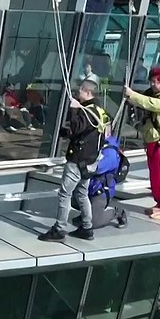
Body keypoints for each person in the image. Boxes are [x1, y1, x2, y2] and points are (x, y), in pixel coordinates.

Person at [38, 79, 106, 242]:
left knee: (64, 193)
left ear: (88, 92)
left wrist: (74, 109)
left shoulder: (86, 111)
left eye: (81, 90)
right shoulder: (100, 111)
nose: (78, 93)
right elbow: (88, 132)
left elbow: (77, 127)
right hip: (90, 161)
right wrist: (68, 133)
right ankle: (87, 228)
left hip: (78, 160)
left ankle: (59, 229)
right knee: (82, 193)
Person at [124, 67, 160, 220]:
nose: (153, 84)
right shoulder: (156, 95)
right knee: (155, 174)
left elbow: (151, 104)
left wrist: (132, 95)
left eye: (157, 81)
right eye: (152, 81)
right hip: (154, 141)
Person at [74, 134, 129, 230]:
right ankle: (87, 213)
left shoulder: (110, 152)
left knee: (94, 222)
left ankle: (117, 212)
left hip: (101, 192)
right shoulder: (95, 143)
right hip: (90, 187)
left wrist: (82, 162)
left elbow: (95, 168)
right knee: (72, 197)